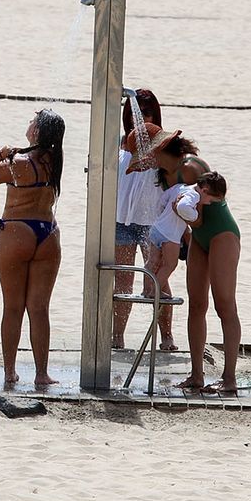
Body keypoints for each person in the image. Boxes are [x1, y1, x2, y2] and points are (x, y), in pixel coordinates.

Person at [0, 108, 65, 388]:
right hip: (48, 233)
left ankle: (9, 371)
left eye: (32, 121)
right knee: (39, 308)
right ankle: (42, 373)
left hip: (18, 230)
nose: (28, 123)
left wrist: (0, 154)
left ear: (37, 131)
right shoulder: (55, 161)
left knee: (13, 307)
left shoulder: (18, 163)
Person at [176, 170, 243, 393]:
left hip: (222, 233)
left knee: (225, 306)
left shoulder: (191, 169)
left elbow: (198, 217)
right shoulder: (169, 176)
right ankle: (196, 374)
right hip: (199, 236)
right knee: (196, 304)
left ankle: (229, 378)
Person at [112, 89, 163, 348]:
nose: (140, 118)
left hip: (152, 222)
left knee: (158, 279)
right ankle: (117, 336)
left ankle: (167, 336)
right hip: (122, 220)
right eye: (135, 113)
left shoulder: (162, 142)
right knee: (123, 282)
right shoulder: (118, 143)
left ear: (155, 113)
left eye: (146, 112)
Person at [144, 134, 200, 352]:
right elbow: (185, 208)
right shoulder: (190, 189)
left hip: (156, 228)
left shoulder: (181, 177)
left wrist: (163, 216)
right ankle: (155, 291)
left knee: (153, 262)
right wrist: (192, 220)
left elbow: (162, 201)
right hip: (170, 234)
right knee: (170, 265)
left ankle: (148, 288)